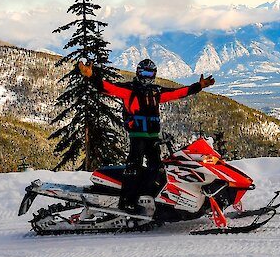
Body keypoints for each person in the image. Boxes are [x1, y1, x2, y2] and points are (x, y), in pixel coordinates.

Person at [77, 58, 214, 213]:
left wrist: (199, 86)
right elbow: (107, 87)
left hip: (153, 137)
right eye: (144, 73)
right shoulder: (129, 90)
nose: (147, 76)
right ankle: (127, 202)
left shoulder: (156, 92)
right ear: (138, 73)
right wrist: (91, 75)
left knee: (157, 169)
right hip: (137, 136)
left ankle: (152, 198)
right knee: (134, 167)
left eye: (150, 73)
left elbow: (178, 93)